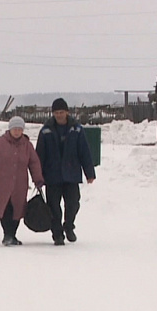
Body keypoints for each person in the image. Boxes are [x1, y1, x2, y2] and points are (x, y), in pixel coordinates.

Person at [35, 98, 96, 246]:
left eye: (61, 112)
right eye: (56, 112)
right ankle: (57, 234)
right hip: (52, 175)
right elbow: (39, 155)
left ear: (67, 112)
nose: (59, 115)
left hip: (71, 174)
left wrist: (90, 173)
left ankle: (68, 226)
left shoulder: (77, 129)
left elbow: (84, 152)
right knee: (53, 206)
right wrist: (37, 176)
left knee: (73, 204)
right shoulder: (45, 130)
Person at [0, 116, 44, 246]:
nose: (17, 131)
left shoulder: (27, 145)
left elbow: (34, 163)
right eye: (14, 129)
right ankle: (7, 234)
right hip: (2, 184)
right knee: (5, 208)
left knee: (18, 210)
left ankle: (12, 235)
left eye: (19, 129)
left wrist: (38, 179)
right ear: (9, 129)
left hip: (20, 184)